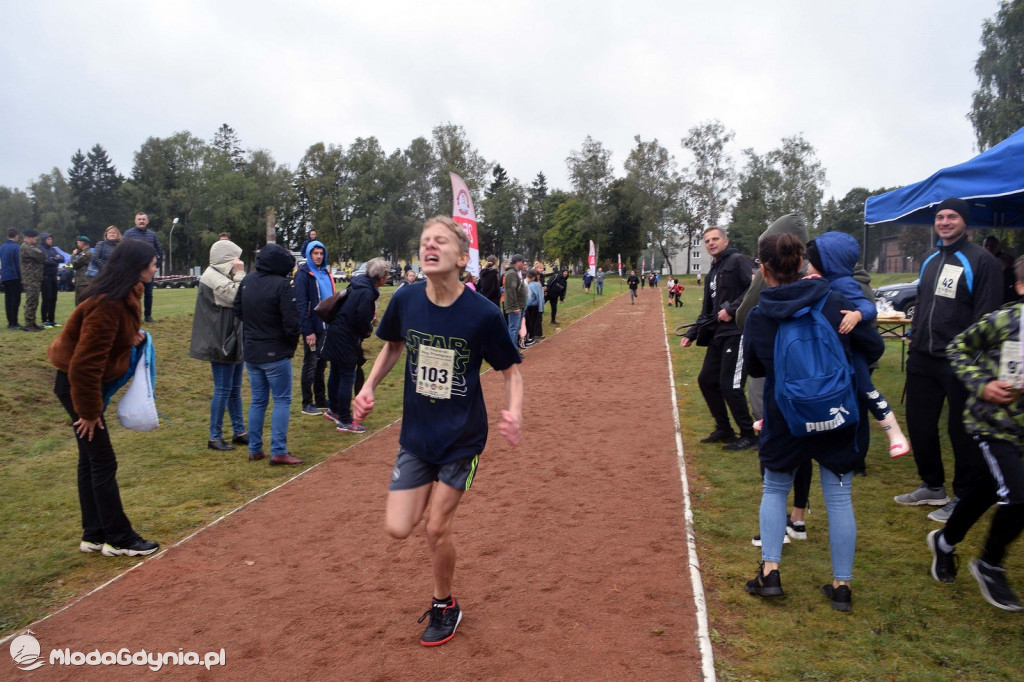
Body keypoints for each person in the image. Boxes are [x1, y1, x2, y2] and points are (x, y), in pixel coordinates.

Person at [353, 215, 523, 647]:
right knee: (398, 527)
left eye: (440, 241)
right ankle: (425, 497)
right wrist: (368, 387)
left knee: (435, 529)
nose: (429, 246)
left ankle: (444, 604)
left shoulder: (482, 314)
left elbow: (510, 371)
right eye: (425, 240)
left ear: (461, 258)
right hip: (417, 436)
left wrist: (514, 411)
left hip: (462, 437)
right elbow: (393, 346)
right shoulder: (406, 299)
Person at [742, 233, 884, 611]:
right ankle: (841, 586)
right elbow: (874, 346)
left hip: (785, 416)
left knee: (775, 489)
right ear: (802, 263)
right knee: (839, 498)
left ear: (765, 269)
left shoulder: (759, 314)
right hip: (836, 413)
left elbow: (755, 367)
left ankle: (770, 573)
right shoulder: (833, 301)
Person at [46, 239, 161, 557]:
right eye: (152, 262)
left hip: (80, 384)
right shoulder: (108, 304)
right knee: (103, 459)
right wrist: (89, 412)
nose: (155, 267)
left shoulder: (122, 297)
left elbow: (107, 341)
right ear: (136, 267)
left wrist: (130, 338)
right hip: (77, 385)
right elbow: (84, 364)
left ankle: (94, 534)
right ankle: (119, 538)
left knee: (91, 459)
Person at [896, 198, 1003, 524]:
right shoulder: (929, 259)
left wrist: (975, 360)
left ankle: (963, 495)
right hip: (923, 357)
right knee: (920, 424)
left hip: (959, 361)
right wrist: (914, 338)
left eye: (951, 216)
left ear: (964, 222)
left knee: (961, 431)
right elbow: (925, 304)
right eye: (940, 217)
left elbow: (986, 316)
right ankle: (932, 486)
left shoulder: (981, 261)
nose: (944, 222)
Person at [929, 256, 1024, 611]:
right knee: (1017, 496)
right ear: (1019, 287)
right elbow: (958, 347)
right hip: (993, 423)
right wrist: (983, 385)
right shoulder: (1007, 319)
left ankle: (945, 542)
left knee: (985, 490)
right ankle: (990, 562)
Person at [805, 233, 909, 457]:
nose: (807, 266)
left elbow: (868, 307)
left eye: (811, 262)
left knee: (866, 390)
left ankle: (895, 434)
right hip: (833, 350)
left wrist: (857, 314)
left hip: (853, 352)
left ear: (827, 263)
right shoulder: (819, 282)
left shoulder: (844, 283)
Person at [680, 226, 758, 450]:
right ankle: (724, 429)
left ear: (726, 240)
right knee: (706, 380)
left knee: (730, 386)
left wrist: (733, 309)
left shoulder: (738, 260)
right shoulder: (714, 270)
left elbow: (756, 288)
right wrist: (692, 333)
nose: (710, 243)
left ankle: (749, 435)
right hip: (717, 334)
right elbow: (708, 309)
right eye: (707, 241)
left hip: (737, 332)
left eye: (715, 239)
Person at [233, 243, 301, 465]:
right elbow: (291, 322)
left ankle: (255, 449)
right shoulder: (281, 285)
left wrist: (256, 327)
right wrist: (290, 346)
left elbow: (238, 310)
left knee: (258, 400)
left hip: (252, 351)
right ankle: (278, 450)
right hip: (275, 352)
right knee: (282, 400)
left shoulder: (247, 280)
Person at [190, 239, 248, 452]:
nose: (239, 262)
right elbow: (237, 296)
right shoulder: (211, 277)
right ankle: (214, 436)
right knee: (223, 389)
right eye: (236, 257)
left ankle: (239, 431)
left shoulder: (221, 274)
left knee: (234, 389)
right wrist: (240, 274)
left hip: (230, 338)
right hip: (220, 340)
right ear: (226, 257)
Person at [323, 257, 388, 434]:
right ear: (381, 279)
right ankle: (344, 419)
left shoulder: (357, 284)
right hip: (346, 336)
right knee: (347, 376)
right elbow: (361, 319)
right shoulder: (367, 293)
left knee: (336, 372)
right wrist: (367, 329)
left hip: (336, 330)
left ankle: (334, 409)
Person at [294, 241, 335, 416]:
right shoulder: (303, 274)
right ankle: (306, 402)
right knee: (310, 363)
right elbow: (302, 305)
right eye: (315, 253)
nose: (318, 256)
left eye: (321, 253)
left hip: (327, 325)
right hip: (313, 326)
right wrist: (308, 330)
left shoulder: (326, 272)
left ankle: (320, 399)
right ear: (309, 255)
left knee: (321, 362)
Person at [123, 213, 163, 322]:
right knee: (133, 294)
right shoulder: (128, 234)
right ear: (135, 221)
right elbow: (123, 251)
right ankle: (133, 317)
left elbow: (159, 251)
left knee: (149, 294)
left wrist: (155, 267)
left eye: (143, 219)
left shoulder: (153, 235)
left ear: (147, 221)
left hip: (148, 271)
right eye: (139, 219)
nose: (141, 221)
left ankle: (148, 316)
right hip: (133, 271)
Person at [20, 229, 45, 332]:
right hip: (30, 278)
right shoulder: (25, 247)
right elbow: (42, 256)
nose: (36, 239)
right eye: (34, 237)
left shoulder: (30, 248)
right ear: (28, 237)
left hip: (34, 278)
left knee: (34, 300)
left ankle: (32, 322)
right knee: (31, 301)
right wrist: (42, 255)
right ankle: (28, 324)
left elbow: (41, 256)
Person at [983, 235, 1017, 304]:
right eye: (986, 246)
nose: (989, 248)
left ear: (998, 247)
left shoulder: (1004, 259)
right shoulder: (981, 259)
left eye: (993, 246)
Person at [1, 227, 23, 329]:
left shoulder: (2, 247)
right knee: (15, 300)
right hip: (14, 276)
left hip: (5, 276)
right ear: (16, 236)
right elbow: (17, 263)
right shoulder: (16, 247)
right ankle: (14, 322)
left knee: (8, 299)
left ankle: (10, 322)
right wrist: (21, 276)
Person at [39, 233, 62, 327]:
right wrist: (55, 259)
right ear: (44, 240)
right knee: (46, 298)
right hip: (46, 277)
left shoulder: (53, 249)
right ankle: (44, 320)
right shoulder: (40, 249)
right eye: (48, 239)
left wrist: (54, 259)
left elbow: (62, 258)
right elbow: (46, 261)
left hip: (54, 276)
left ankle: (52, 319)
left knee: (53, 298)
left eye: (51, 239)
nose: (50, 241)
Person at [503, 254, 527, 346]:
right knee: (513, 328)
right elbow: (511, 291)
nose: (523, 264)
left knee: (516, 328)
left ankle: (514, 349)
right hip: (514, 307)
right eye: (522, 262)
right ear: (517, 262)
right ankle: (512, 351)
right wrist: (515, 307)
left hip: (519, 305)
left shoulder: (515, 272)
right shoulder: (511, 274)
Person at [70, 236, 94, 306]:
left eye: (78, 242)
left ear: (83, 243)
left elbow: (75, 264)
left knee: (82, 304)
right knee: (78, 303)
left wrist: (73, 255)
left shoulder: (87, 253)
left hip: (84, 282)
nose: (77, 244)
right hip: (80, 282)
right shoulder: (83, 253)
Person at [525, 269, 544, 345]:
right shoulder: (536, 285)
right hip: (532, 306)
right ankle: (531, 338)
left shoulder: (526, 283)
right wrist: (541, 308)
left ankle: (527, 338)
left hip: (527, 306)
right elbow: (540, 297)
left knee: (528, 322)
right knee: (532, 322)